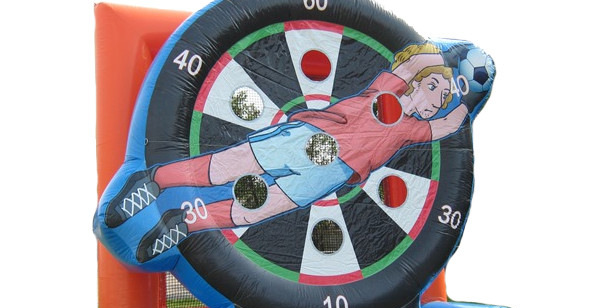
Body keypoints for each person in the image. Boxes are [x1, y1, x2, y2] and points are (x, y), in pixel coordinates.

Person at [105, 42, 475, 262]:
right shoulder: (388, 88)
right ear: (415, 83)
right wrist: (449, 61)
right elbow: (415, 63)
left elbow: (449, 124)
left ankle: (182, 223)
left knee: (254, 210)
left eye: (443, 96)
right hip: (309, 138)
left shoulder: (411, 130)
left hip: (330, 173)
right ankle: (152, 181)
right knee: (225, 169)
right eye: (434, 87)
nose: (437, 99)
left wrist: (468, 93)